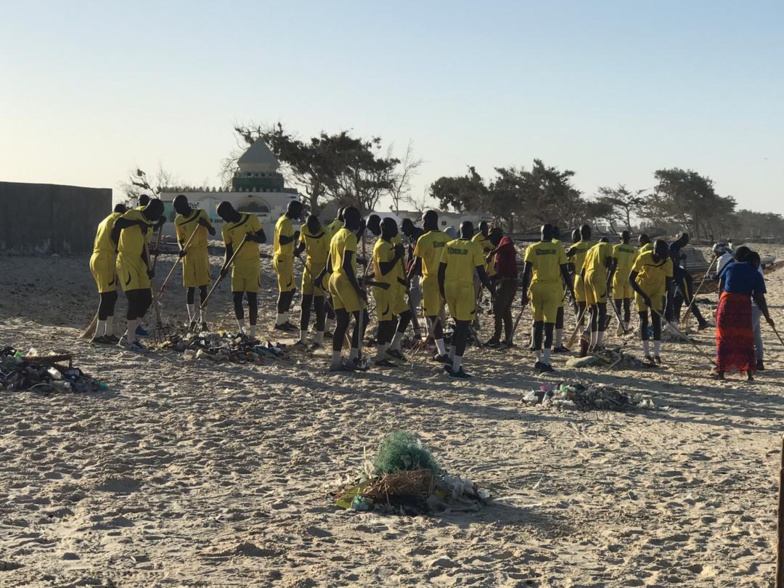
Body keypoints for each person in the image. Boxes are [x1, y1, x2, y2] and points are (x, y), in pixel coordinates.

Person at [438, 222, 496, 378]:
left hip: (449, 288)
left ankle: (450, 358)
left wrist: (442, 290)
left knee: (458, 324)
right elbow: (481, 273)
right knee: (463, 328)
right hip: (464, 289)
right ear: (471, 233)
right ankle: (457, 368)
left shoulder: (449, 245)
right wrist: (492, 291)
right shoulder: (474, 247)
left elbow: (441, 269)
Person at [317, 206, 368, 372]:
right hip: (345, 280)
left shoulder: (336, 236)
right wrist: (357, 289)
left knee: (342, 321)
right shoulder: (350, 236)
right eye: (358, 218)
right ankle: (353, 358)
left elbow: (328, 265)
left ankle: (336, 361)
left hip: (333, 279)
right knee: (363, 318)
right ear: (351, 218)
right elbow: (346, 264)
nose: (359, 221)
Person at [111, 198, 165, 351]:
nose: (156, 217)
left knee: (146, 299)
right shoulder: (134, 214)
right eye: (157, 214)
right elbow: (118, 224)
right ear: (152, 209)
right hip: (126, 259)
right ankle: (129, 342)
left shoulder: (148, 225)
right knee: (134, 299)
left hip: (140, 263)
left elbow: (143, 248)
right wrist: (136, 223)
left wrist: (149, 267)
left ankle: (130, 334)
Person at [714, 251, 773, 380]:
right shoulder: (756, 274)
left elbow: (721, 286)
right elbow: (759, 298)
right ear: (756, 262)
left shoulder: (731, 266)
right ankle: (749, 373)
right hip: (742, 305)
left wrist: (719, 305)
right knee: (745, 337)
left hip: (726, 302)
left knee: (725, 337)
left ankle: (721, 371)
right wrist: (768, 317)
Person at [521, 224, 572, 372]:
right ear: (553, 234)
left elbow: (526, 273)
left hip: (536, 287)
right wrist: (572, 291)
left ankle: (537, 358)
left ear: (541, 233)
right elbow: (565, 271)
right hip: (552, 288)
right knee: (549, 325)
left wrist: (524, 293)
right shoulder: (558, 248)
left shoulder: (532, 248)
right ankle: (546, 360)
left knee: (537, 323)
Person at [217, 202, 267, 338]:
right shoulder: (226, 228)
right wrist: (225, 266)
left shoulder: (251, 219)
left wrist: (252, 238)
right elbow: (228, 250)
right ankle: (242, 330)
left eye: (223, 216)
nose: (223, 219)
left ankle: (252, 332)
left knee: (252, 299)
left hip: (252, 265)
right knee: (236, 298)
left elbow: (263, 238)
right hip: (237, 266)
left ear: (229, 211)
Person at [409, 210, 450, 362]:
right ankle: (440, 347)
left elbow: (416, 263)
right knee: (438, 315)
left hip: (431, 281)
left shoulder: (423, 239)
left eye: (424, 221)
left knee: (433, 316)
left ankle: (442, 352)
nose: (423, 224)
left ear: (428, 221)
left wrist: (407, 278)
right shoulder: (447, 238)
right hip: (445, 280)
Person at [372, 218, 412, 366]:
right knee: (385, 323)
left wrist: (403, 281)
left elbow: (392, 271)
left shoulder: (389, 245)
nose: (396, 230)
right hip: (384, 290)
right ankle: (380, 356)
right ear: (385, 228)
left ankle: (393, 346)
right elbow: (383, 269)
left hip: (393, 289)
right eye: (393, 227)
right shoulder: (382, 246)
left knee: (406, 315)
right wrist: (396, 256)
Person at [173, 194, 216, 332]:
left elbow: (213, 231)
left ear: (185, 204)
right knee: (190, 288)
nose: (177, 210)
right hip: (188, 255)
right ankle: (192, 320)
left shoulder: (200, 214)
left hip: (201, 253)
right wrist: (181, 249)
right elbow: (180, 239)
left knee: (203, 287)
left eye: (178, 207)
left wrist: (206, 224)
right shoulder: (178, 220)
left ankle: (203, 321)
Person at [629, 239, 673, 367]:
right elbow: (631, 279)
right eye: (663, 255)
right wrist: (643, 296)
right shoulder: (643, 257)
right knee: (644, 320)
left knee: (656, 320)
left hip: (657, 291)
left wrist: (668, 305)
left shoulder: (668, 261)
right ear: (656, 251)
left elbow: (669, 285)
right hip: (641, 289)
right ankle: (647, 354)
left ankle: (657, 354)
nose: (665, 258)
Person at [89, 203, 127, 344]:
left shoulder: (104, 220)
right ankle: (99, 334)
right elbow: (115, 235)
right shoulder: (118, 218)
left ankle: (108, 332)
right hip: (106, 258)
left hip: (96, 257)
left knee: (112, 295)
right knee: (106, 296)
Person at [295, 215, 330, 347]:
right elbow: (302, 244)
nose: (312, 230)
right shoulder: (304, 229)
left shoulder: (326, 235)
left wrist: (320, 277)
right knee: (305, 304)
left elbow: (329, 260)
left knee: (319, 306)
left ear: (318, 225)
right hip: (308, 268)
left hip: (322, 269)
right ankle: (302, 339)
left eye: (314, 228)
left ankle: (319, 340)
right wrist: (298, 251)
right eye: (310, 228)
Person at [667, 233, 709, 330]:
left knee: (688, 301)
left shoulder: (676, 248)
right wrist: (679, 258)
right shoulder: (673, 247)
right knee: (676, 300)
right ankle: (676, 322)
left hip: (682, 278)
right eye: (685, 242)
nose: (686, 245)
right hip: (679, 278)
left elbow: (674, 261)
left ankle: (701, 321)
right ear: (681, 240)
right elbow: (672, 261)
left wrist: (681, 258)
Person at [272, 201, 303, 331]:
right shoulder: (284, 222)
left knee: (291, 290)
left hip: (287, 259)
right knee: (284, 291)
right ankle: (279, 322)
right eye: (298, 211)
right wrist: (294, 237)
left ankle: (284, 319)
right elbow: (283, 240)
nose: (300, 214)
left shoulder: (285, 221)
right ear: (292, 209)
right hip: (283, 259)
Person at [485, 228, 517, 348]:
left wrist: (492, 252)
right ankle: (508, 339)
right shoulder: (499, 249)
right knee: (505, 311)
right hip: (506, 280)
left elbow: (508, 245)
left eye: (491, 238)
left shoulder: (505, 240)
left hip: (508, 281)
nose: (491, 242)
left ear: (497, 236)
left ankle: (496, 338)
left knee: (497, 308)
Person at [581, 237, 613, 351]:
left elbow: (581, 272)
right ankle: (598, 344)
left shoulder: (590, 250)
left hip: (586, 277)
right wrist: (608, 282)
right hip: (598, 276)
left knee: (593, 310)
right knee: (602, 310)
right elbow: (610, 263)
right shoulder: (607, 246)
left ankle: (592, 343)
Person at [608, 231, 637, 334]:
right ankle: (626, 327)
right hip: (629, 277)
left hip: (618, 275)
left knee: (618, 304)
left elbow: (613, 264)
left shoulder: (615, 248)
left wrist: (608, 280)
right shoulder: (634, 250)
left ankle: (619, 324)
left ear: (620, 238)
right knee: (627, 305)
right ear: (629, 238)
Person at [566, 224, 595, 326]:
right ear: (590, 233)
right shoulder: (595, 246)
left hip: (579, 278)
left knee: (580, 307)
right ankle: (589, 331)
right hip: (593, 278)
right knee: (593, 307)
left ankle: (581, 336)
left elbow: (570, 266)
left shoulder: (574, 247)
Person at [401, 218, 425, 341]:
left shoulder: (419, 237)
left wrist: (409, 276)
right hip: (415, 274)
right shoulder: (411, 238)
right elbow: (411, 258)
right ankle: (418, 332)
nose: (402, 231)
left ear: (409, 226)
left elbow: (417, 260)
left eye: (403, 229)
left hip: (421, 274)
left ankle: (422, 334)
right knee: (412, 305)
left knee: (412, 306)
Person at [471, 221, 495, 328]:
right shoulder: (476, 239)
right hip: (478, 272)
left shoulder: (489, 238)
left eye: (485, 228)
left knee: (489, 293)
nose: (483, 230)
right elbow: (476, 253)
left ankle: (491, 308)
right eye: (481, 228)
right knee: (475, 297)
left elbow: (493, 248)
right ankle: (474, 320)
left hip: (490, 270)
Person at [747, 251, 767, 371]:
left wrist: (767, 314)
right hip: (756, 305)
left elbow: (758, 294)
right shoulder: (755, 267)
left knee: (748, 334)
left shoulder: (753, 270)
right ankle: (759, 361)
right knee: (756, 334)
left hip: (753, 305)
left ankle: (750, 362)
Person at [551, 227, 570, 352]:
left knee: (539, 316)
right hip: (554, 284)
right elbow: (564, 268)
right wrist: (570, 288)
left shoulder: (536, 247)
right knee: (558, 314)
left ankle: (534, 343)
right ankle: (558, 345)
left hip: (537, 283)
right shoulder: (558, 245)